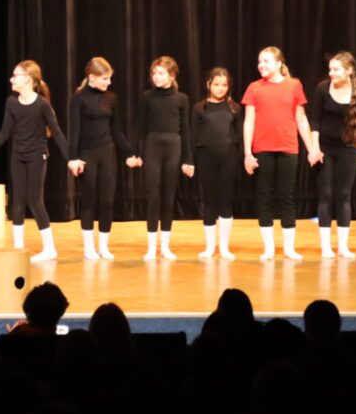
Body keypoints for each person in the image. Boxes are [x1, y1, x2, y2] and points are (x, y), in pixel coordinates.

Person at [0, 60, 68, 262]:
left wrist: (71, 158)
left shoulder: (42, 104)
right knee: (17, 201)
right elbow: (4, 133)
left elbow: (57, 133)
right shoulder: (11, 102)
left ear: (28, 79)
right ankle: (18, 249)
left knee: (34, 200)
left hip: (37, 157)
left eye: (15, 75)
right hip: (18, 157)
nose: (11, 79)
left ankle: (50, 248)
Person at [242, 47, 320, 260]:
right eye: (259, 61)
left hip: (288, 147)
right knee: (264, 197)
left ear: (278, 63)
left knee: (287, 197)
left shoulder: (294, 85)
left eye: (266, 61)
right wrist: (247, 153)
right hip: (262, 149)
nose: (261, 65)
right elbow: (249, 122)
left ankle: (289, 248)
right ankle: (268, 248)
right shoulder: (254, 88)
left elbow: (301, 119)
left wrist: (312, 148)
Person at [67, 57, 141, 260]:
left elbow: (117, 130)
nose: (109, 82)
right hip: (87, 154)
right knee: (89, 200)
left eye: (109, 78)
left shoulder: (112, 98)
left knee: (107, 201)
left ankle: (103, 246)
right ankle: (88, 248)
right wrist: (72, 158)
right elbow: (74, 132)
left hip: (107, 153)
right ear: (92, 77)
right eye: (105, 78)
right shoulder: (79, 99)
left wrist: (129, 153)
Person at [308, 52, 356, 259]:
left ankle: (343, 246)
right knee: (326, 195)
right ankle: (326, 247)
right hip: (325, 149)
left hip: (348, 147)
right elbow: (314, 121)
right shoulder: (322, 89)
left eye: (336, 69)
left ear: (349, 70)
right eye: (330, 69)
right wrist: (314, 148)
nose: (331, 73)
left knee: (344, 195)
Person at [135, 56, 192, 261]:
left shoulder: (181, 99)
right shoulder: (147, 97)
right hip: (153, 146)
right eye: (154, 73)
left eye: (161, 73)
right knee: (153, 197)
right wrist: (135, 153)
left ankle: (165, 247)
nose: (156, 77)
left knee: (168, 197)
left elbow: (186, 130)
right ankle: (151, 247)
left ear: (172, 75)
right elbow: (139, 127)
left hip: (173, 146)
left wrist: (188, 159)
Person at [192, 67, 242, 259]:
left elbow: (240, 135)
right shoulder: (199, 108)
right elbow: (193, 135)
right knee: (209, 200)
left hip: (229, 157)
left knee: (226, 200)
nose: (220, 88)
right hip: (206, 158)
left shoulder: (234, 108)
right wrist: (190, 160)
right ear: (208, 84)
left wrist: (243, 156)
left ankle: (224, 247)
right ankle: (210, 247)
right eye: (216, 84)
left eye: (224, 85)